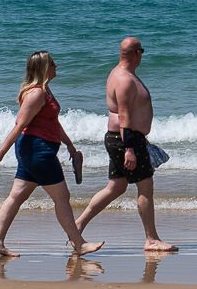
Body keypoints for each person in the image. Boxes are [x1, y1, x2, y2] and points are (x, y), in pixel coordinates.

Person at [0, 51, 104, 257]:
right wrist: (1, 152)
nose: (56, 65)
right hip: (37, 150)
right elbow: (19, 125)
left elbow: (53, 123)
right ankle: (79, 243)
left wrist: (69, 145)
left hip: (35, 149)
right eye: (52, 63)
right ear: (43, 68)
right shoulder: (36, 94)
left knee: (16, 196)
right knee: (62, 197)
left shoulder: (45, 90)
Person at [76, 37, 177, 252]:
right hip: (126, 141)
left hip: (123, 139)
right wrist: (130, 148)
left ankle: (77, 226)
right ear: (136, 53)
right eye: (142, 51)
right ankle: (151, 239)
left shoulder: (122, 74)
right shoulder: (124, 79)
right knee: (145, 187)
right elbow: (123, 116)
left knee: (116, 187)